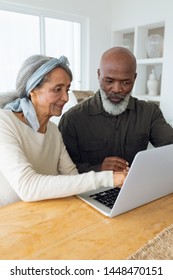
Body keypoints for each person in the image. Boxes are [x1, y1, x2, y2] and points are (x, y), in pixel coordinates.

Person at [0, 54, 126, 207]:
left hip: (47, 211)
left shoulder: (53, 131)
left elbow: (72, 176)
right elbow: (28, 187)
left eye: (67, 89)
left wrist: (110, 188)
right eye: (57, 89)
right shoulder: (4, 122)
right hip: (10, 219)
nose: (66, 98)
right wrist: (107, 178)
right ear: (33, 90)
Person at [59, 47, 173, 173]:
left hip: (133, 188)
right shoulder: (72, 119)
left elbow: (170, 148)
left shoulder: (149, 113)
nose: (117, 89)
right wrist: (99, 169)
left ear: (134, 78)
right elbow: (63, 171)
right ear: (98, 75)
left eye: (125, 83)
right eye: (109, 81)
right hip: (88, 191)